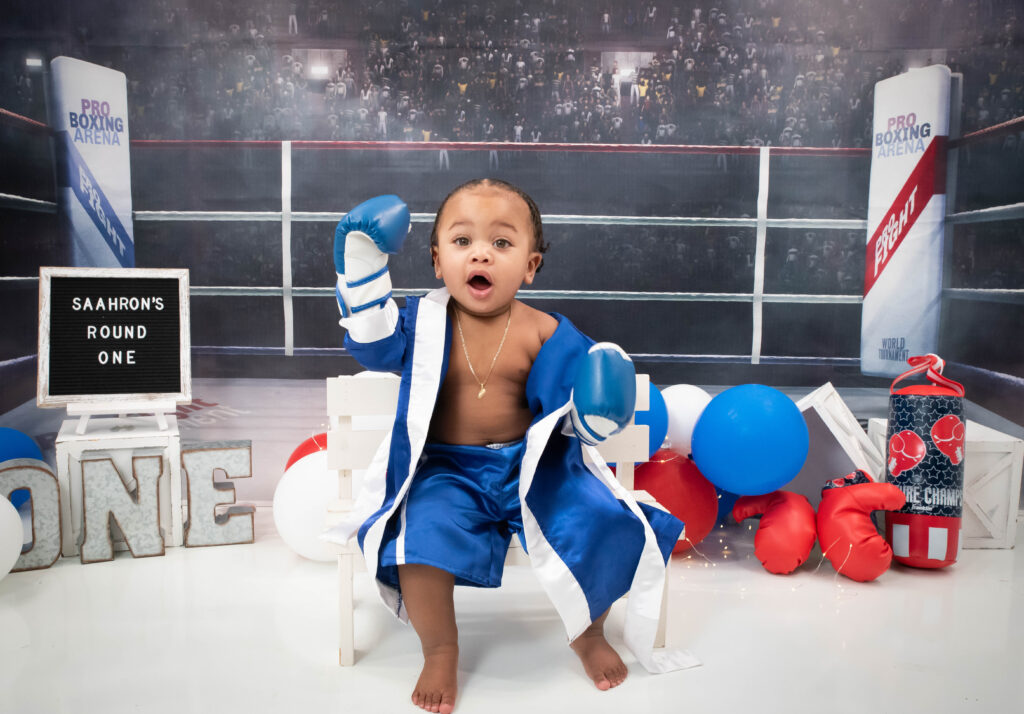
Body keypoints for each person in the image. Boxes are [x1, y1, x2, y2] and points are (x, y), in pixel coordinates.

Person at [323, 180, 695, 713]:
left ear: (530, 266)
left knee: (597, 521)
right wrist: (362, 263)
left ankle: (588, 633)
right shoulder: (420, 325)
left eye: (501, 243)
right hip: (446, 470)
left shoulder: (546, 332)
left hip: (532, 467)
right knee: (419, 540)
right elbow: (371, 341)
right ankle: (440, 647)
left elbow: (576, 407)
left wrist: (593, 414)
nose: (480, 252)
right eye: (462, 241)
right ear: (436, 261)